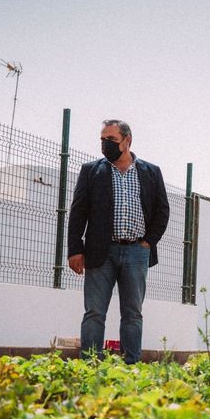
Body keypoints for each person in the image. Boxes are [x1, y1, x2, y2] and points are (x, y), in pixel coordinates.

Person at [68, 119, 170, 364]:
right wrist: (74, 250)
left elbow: (162, 210)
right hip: (100, 252)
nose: (105, 144)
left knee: (133, 313)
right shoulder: (91, 171)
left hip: (137, 251)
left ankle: (130, 366)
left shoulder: (151, 172)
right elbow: (78, 211)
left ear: (127, 141)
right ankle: (90, 365)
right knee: (94, 312)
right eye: (102, 139)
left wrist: (148, 242)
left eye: (111, 139)